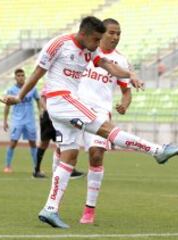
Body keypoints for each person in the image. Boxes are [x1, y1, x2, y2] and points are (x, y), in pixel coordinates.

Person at [0, 16, 178, 229]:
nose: (99, 44)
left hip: (64, 106)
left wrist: (130, 74)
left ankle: (50, 209)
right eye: (97, 39)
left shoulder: (91, 49)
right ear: (85, 34)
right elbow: (36, 74)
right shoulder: (59, 44)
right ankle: (157, 151)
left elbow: (108, 65)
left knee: (69, 156)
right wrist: (18, 98)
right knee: (106, 129)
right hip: (62, 99)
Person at [77, 18, 133, 224]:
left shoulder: (122, 61)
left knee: (97, 155)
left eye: (119, 33)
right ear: (101, 33)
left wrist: (124, 104)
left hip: (100, 114)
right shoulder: (85, 53)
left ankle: (89, 211)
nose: (115, 37)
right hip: (75, 110)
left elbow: (127, 92)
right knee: (66, 157)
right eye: (111, 33)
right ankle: (52, 206)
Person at [34, 89, 84, 179]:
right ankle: (37, 170)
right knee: (44, 144)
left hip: (60, 119)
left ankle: (65, 169)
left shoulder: (66, 83)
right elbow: (42, 99)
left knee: (61, 143)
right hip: (48, 120)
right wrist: (49, 111)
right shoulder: (51, 82)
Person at [2, 68, 40, 173]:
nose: (20, 77)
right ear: (15, 77)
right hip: (16, 120)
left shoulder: (32, 88)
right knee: (13, 143)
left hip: (30, 120)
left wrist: (40, 112)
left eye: (22, 75)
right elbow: (7, 106)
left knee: (33, 143)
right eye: (18, 75)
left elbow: (38, 100)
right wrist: (5, 121)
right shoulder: (11, 90)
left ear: (25, 76)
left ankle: (37, 167)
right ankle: (7, 166)